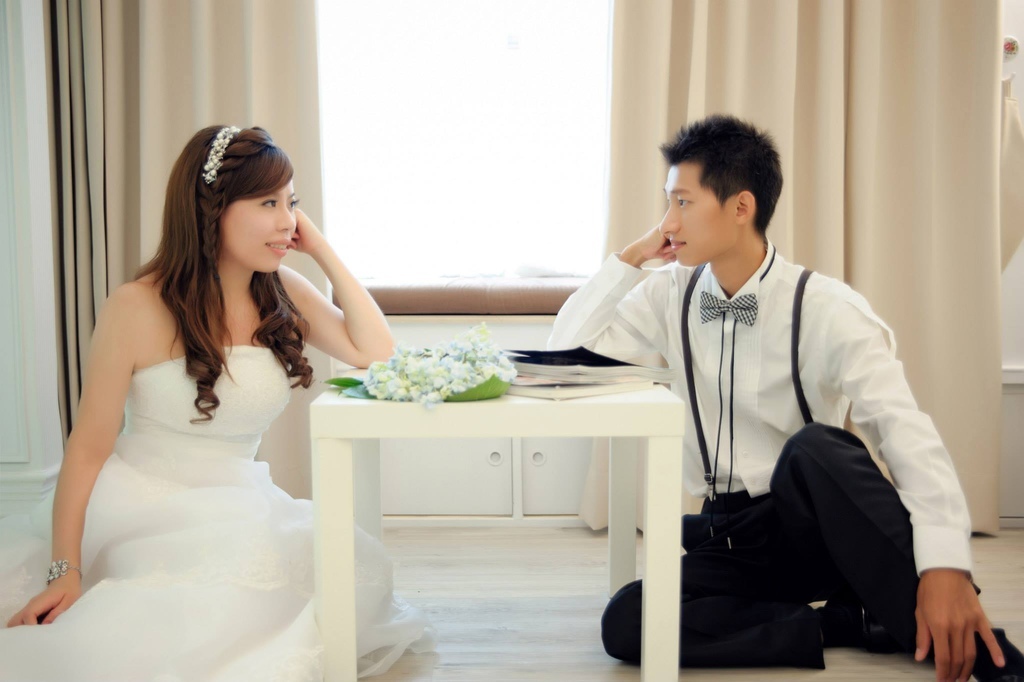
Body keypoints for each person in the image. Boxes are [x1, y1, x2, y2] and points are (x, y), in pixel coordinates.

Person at [550, 114, 1024, 682]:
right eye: (667, 203)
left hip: (814, 525)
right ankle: (841, 624)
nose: (668, 222)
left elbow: (903, 429)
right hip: (728, 534)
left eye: (683, 202)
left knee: (815, 447)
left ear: (741, 207)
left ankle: (989, 656)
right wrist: (631, 257)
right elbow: (565, 354)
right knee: (626, 623)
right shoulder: (667, 295)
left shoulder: (826, 307)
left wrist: (946, 564)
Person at [0, 125, 436, 680]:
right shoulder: (134, 307)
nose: (288, 222)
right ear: (212, 210)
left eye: (292, 203)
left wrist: (322, 251)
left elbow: (377, 353)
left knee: (346, 573)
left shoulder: (281, 291)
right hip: (139, 507)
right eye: (268, 203)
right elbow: (87, 450)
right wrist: (64, 569)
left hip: (242, 501)